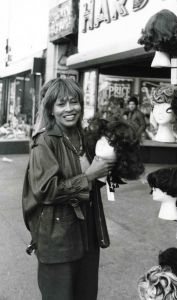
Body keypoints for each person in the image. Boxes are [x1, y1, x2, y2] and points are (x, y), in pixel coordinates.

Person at [22, 78, 115, 300]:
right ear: (51, 110)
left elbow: (94, 179)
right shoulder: (44, 141)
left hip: (87, 233)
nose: (70, 109)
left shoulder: (84, 136)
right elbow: (46, 190)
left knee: (86, 294)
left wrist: (108, 169)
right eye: (61, 104)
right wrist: (90, 175)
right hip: (58, 237)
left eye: (74, 102)